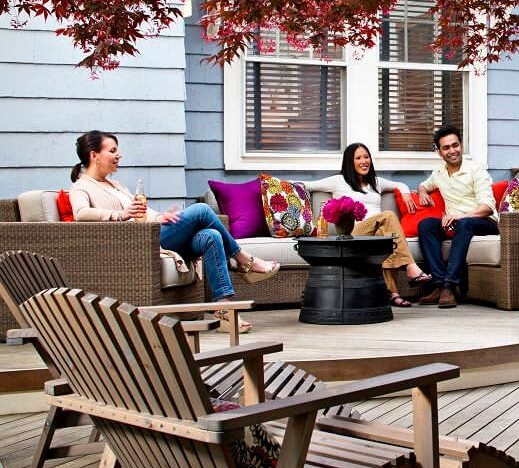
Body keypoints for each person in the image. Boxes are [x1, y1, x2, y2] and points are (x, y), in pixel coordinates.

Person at [69, 130, 280, 334]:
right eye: (113, 150)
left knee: (211, 236)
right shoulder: (81, 187)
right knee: (202, 210)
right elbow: (80, 214)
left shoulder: (115, 185)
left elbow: (143, 213)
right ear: (94, 155)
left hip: (151, 233)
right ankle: (244, 259)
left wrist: (161, 217)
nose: (119, 155)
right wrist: (119, 215)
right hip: (139, 244)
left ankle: (224, 309)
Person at [304, 143, 432, 307]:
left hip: (375, 233)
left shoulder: (376, 182)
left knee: (385, 238)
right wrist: (269, 184)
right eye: (358, 158)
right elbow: (307, 185)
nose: (364, 161)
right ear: (350, 162)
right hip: (354, 232)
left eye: (366, 157)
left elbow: (400, 185)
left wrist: (406, 194)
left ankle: (393, 293)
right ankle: (411, 267)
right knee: (388, 216)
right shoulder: (338, 181)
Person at [416, 125, 499, 309]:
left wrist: (460, 217)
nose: (452, 151)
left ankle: (450, 286)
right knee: (426, 225)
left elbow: (487, 207)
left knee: (465, 224)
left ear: (461, 145)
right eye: (446, 148)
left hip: (484, 222)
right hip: (456, 224)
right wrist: (422, 192)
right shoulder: (439, 174)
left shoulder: (476, 171)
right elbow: (424, 185)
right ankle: (438, 283)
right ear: (439, 152)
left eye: (455, 145)